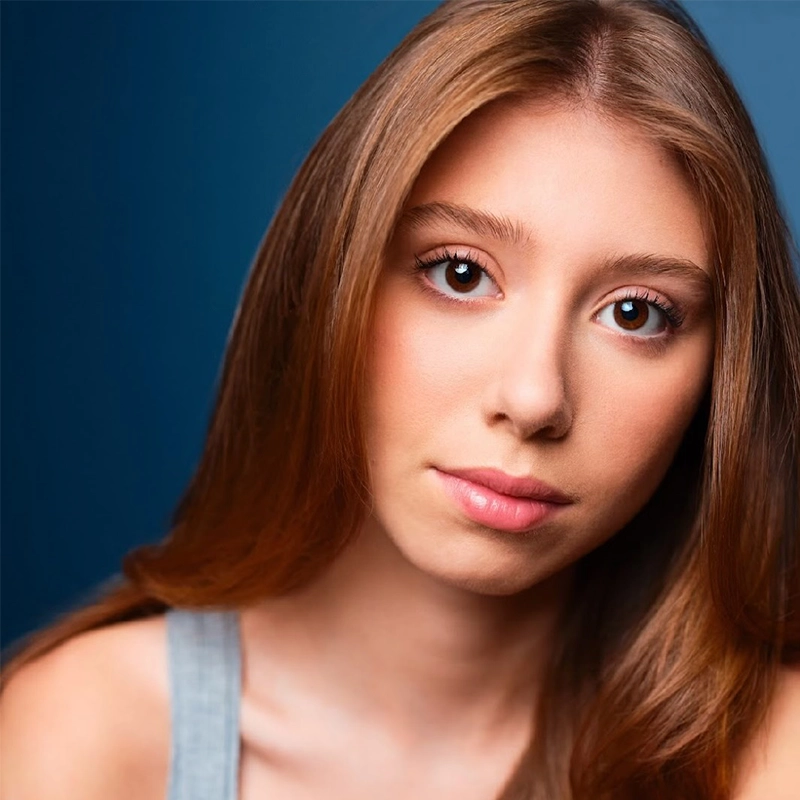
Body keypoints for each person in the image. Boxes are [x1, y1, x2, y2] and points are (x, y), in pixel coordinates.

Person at [2, 0, 799, 797]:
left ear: (722, 370)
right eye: (460, 273)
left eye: (636, 313)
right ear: (331, 278)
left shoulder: (770, 757)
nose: (532, 398)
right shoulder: (87, 740)